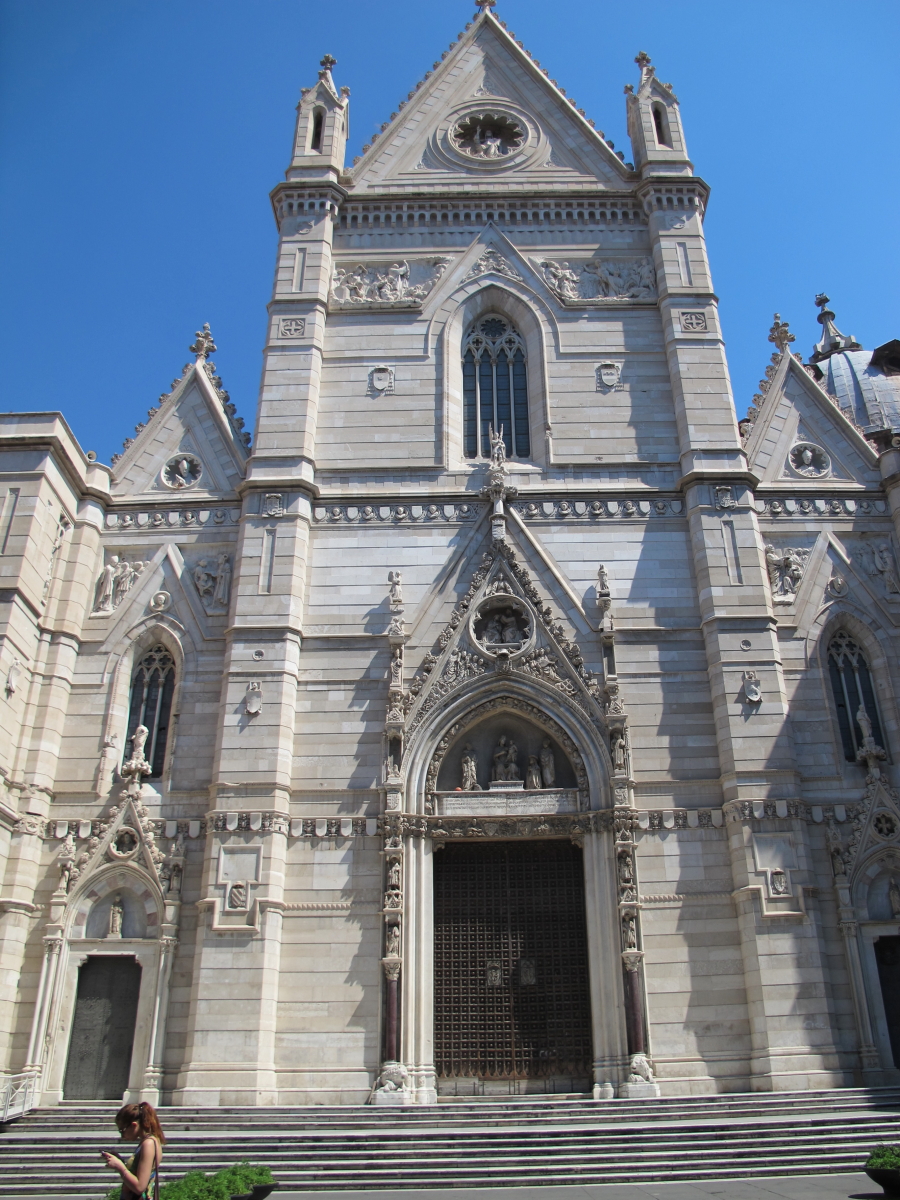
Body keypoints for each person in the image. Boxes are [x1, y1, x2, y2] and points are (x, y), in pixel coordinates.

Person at [101, 1101, 165, 1200]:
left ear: (133, 1125)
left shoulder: (148, 1144)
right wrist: (120, 1162)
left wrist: (120, 1167)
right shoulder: (148, 1142)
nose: (122, 1136)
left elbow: (139, 1187)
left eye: (122, 1130)